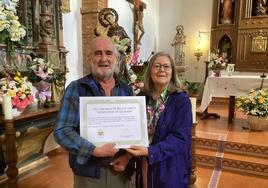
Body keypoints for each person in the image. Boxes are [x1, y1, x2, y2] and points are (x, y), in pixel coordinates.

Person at [54, 36, 134, 188]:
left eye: (108, 53)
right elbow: (62, 131)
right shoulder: (76, 88)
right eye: (98, 53)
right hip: (88, 174)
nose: (104, 58)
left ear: (115, 58)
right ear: (90, 58)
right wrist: (93, 150)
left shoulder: (126, 90)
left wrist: (127, 157)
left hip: (120, 170)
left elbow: (135, 133)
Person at [126, 52, 192, 188]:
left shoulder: (181, 100)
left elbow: (180, 139)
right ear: (150, 71)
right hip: (145, 161)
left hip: (170, 164)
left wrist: (151, 151)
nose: (162, 70)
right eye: (157, 66)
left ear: (172, 72)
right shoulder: (142, 98)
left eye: (166, 66)